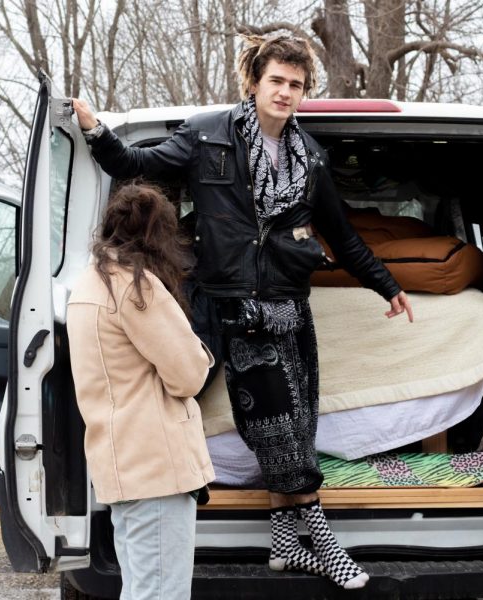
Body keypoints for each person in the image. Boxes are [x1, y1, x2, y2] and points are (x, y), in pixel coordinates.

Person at [72, 33, 414, 590]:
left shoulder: (311, 159)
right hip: (234, 309)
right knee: (277, 429)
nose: (285, 92)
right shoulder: (207, 136)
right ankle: (322, 543)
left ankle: (285, 545)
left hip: (290, 307)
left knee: (298, 426)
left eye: (296, 85)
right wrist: (93, 128)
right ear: (253, 82)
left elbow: (342, 235)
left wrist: (387, 287)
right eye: (276, 81)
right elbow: (136, 163)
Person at [66, 183, 215, 600]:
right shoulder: (136, 287)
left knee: (142, 590)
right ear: (159, 236)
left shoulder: (89, 285)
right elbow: (188, 376)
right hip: (158, 470)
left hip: (122, 466)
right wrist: (201, 351)